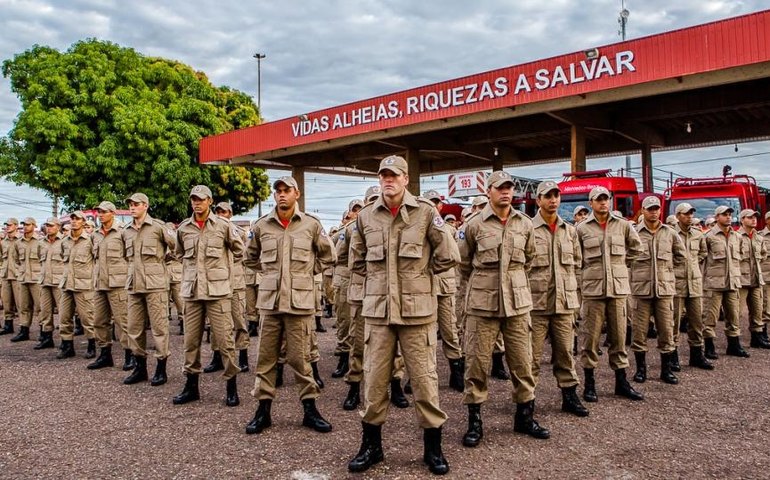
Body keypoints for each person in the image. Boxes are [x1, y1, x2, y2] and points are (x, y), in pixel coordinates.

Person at [347, 156, 457, 475]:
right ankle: (372, 447)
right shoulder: (367, 216)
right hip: (379, 313)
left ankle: (433, 449)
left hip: (417, 313)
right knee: (374, 381)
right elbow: (355, 260)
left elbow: (448, 255)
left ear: (406, 179)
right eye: (384, 175)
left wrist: (421, 277)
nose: (388, 180)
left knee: (424, 382)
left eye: (394, 175)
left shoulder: (425, 213)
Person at [457, 170, 550, 451]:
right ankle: (475, 421)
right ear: (489, 192)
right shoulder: (474, 224)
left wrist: (513, 282)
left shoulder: (524, 224)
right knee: (477, 363)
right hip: (482, 304)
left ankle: (525, 416)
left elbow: (530, 260)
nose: (506, 192)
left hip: (518, 303)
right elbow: (463, 263)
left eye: (509, 188)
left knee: (523, 362)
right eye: (500, 188)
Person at [245, 176, 336, 435]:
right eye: (278, 191)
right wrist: (270, 274)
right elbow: (249, 257)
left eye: (287, 191)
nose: (282, 195)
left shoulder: (310, 225)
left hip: (299, 303)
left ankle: (310, 410)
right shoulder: (262, 226)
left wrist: (306, 274)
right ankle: (263, 411)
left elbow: (329, 256)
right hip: (271, 304)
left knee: (301, 359)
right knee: (266, 359)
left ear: (297, 194)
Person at [172, 186, 244, 407]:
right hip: (192, 292)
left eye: (201, 200)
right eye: (194, 199)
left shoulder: (223, 226)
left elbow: (240, 251)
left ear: (210, 201)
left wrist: (224, 274)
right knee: (190, 342)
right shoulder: (184, 228)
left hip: (218, 292)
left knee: (225, 341)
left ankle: (231, 387)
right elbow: (179, 253)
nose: (197, 203)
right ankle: (191, 386)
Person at [577, 186, 644, 403]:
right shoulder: (581, 229)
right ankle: (589, 384)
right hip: (593, 291)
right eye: (599, 200)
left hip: (617, 290)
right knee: (591, 339)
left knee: (619, 338)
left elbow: (637, 248)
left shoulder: (623, 225)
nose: (603, 203)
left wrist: (621, 266)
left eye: (606, 199)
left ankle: (621, 382)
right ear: (591, 203)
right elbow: (576, 258)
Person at [528, 181, 587, 417]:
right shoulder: (527, 229)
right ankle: (527, 402)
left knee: (565, 353)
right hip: (536, 304)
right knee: (529, 358)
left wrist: (575, 296)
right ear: (538, 200)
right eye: (547, 196)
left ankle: (569, 396)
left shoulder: (569, 231)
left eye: (556, 195)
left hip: (564, 304)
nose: (553, 200)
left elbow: (576, 265)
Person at [629, 196, 686, 385]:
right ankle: (641, 370)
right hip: (641, 290)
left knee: (666, 331)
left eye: (656, 209)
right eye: (650, 209)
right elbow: (625, 257)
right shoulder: (634, 232)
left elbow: (681, 256)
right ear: (643, 211)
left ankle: (666, 370)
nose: (654, 212)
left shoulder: (669, 233)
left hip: (664, 290)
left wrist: (668, 272)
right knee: (639, 332)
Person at [122, 193, 175, 386]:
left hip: (155, 284)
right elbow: (124, 256)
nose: (132, 207)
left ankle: (161, 368)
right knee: (134, 328)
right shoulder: (126, 231)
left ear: (146, 206)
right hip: (134, 284)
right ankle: (140, 367)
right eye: (130, 204)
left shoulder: (158, 227)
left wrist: (163, 261)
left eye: (136, 204)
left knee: (159, 327)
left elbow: (176, 247)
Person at [423, 189, 464, 392]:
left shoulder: (449, 229)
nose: (433, 204)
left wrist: (430, 270)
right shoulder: (418, 225)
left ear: (440, 206)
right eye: (429, 201)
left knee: (450, 331)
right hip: (423, 289)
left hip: (445, 286)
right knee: (424, 336)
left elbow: (455, 257)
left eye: (436, 202)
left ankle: (456, 372)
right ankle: (420, 378)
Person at [88, 201, 131, 370]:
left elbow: (130, 256)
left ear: (112, 213)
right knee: (99, 320)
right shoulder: (96, 234)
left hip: (118, 283)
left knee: (123, 322)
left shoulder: (123, 232)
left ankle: (130, 354)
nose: (100, 214)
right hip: (100, 283)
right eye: (99, 211)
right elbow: (94, 256)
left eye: (104, 212)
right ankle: (105, 354)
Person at [672, 203, 714, 370]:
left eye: (691, 213)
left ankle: (697, 355)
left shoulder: (698, 234)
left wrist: (693, 264)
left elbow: (703, 253)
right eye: (685, 214)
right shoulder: (670, 233)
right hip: (676, 283)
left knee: (696, 321)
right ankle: (672, 356)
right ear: (678, 216)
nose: (689, 216)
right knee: (673, 322)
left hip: (695, 283)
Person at [702, 206, 747, 358]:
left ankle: (734, 345)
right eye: (724, 215)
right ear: (716, 217)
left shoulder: (737, 236)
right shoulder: (708, 236)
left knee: (733, 315)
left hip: (732, 282)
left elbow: (739, 256)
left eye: (729, 215)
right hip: (714, 283)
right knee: (710, 316)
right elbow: (701, 257)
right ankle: (709, 346)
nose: (728, 217)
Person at [330, 199, 363, 379]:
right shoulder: (347, 230)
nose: (358, 212)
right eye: (355, 210)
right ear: (349, 213)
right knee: (345, 320)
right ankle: (344, 358)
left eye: (361, 208)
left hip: (366, 280)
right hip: (346, 278)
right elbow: (337, 255)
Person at [57, 211, 96, 359]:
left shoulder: (89, 240)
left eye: (77, 219)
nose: (74, 221)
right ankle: (67, 346)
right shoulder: (64, 241)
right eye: (72, 219)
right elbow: (63, 258)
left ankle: (92, 345)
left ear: (83, 222)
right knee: (64, 317)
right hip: (67, 284)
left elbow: (96, 259)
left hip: (84, 285)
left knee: (87, 318)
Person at [735, 209, 770, 349]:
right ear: (742, 219)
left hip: (756, 279)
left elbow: (763, 255)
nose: (754, 219)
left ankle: (757, 338)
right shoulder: (736, 236)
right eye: (750, 217)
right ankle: (734, 341)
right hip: (742, 280)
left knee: (757, 310)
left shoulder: (758, 237)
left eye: (755, 217)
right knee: (737, 312)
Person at [10, 217, 42, 343]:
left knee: (40, 307)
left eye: (28, 225)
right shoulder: (19, 243)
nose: (25, 227)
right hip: (23, 278)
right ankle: (24, 330)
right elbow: (16, 260)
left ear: (34, 226)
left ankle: (43, 331)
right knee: (23, 306)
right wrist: (20, 272)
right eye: (24, 225)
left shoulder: (40, 242)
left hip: (36, 278)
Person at [35, 217, 65, 350]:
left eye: (52, 225)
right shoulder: (41, 242)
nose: (49, 228)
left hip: (59, 281)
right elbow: (38, 259)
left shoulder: (64, 242)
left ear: (58, 227)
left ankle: (66, 341)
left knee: (63, 312)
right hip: (45, 281)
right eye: (47, 225)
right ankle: (47, 338)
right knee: (45, 311)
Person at [0, 218, 20, 335]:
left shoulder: (21, 241)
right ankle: (8, 325)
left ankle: (23, 328)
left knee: (20, 304)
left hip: (17, 275)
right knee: (6, 302)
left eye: (10, 225)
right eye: (6, 225)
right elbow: (2, 257)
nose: (8, 227)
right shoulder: (4, 242)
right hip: (6, 275)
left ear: (16, 226)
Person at [165, 222, 185, 336]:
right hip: (164, 274)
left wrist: (171, 255)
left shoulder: (176, 241)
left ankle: (183, 323)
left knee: (179, 301)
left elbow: (179, 254)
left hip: (176, 274)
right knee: (164, 302)